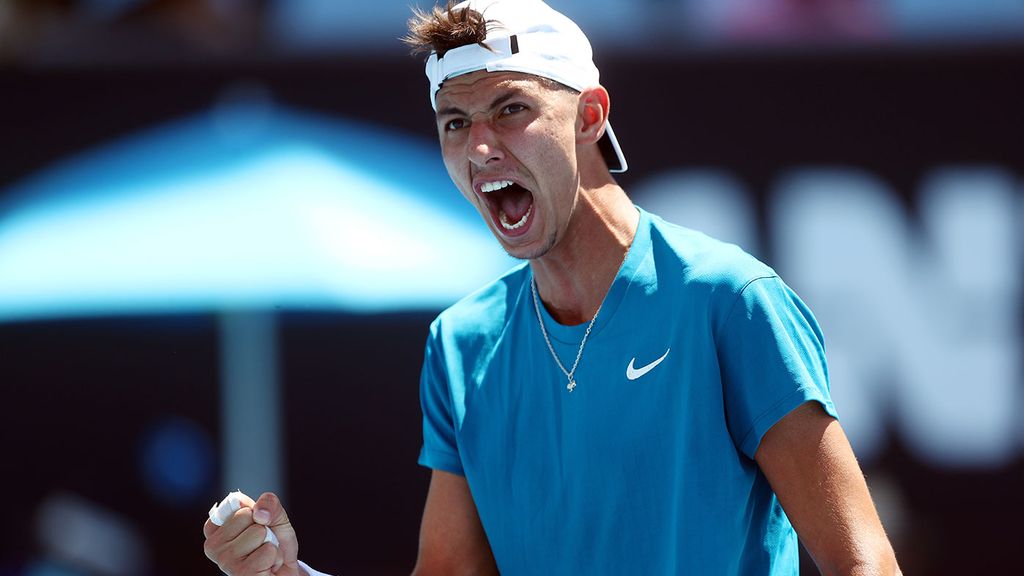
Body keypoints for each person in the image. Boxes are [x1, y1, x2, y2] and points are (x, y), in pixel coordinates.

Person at [202, 1, 903, 574]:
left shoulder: (732, 301)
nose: (479, 148)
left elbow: (862, 563)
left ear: (592, 117)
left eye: (511, 110)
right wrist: (288, 575)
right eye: (455, 123)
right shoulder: (460, 342)